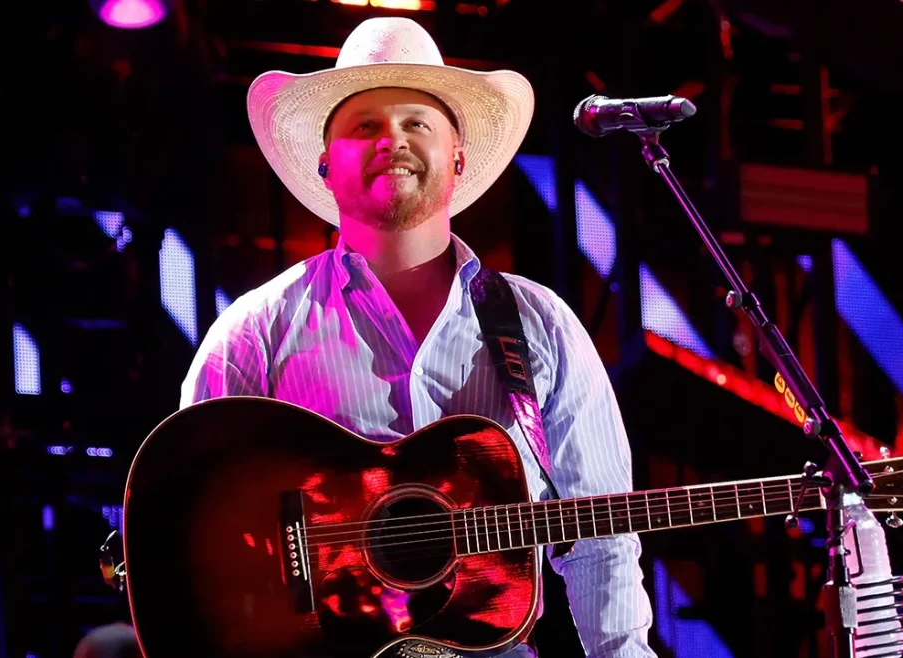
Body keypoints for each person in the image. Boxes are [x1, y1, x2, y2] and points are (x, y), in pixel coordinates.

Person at [181, 16, 656, 658]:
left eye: (416, 123)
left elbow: (604, 537)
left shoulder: (541, 324)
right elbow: (189, 518)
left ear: (457, 158)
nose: (392, 140)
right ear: (325, 165)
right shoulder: (255, 332)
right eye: (365, 126)